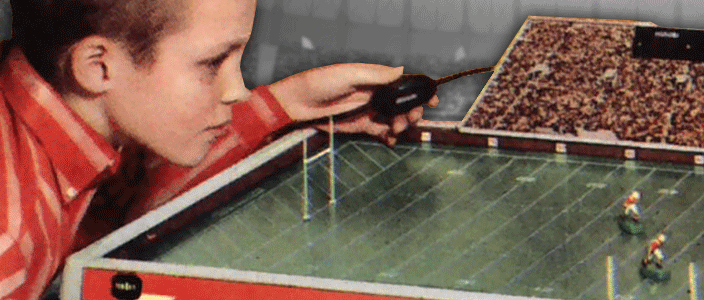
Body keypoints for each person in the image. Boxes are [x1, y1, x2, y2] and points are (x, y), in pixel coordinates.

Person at [0, 0, 432, 298]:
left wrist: (289, 103)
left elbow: (120, 213)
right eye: (212, 64)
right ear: (98, 66)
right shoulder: (9, 246)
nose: (238, 90)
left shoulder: (69, 123)